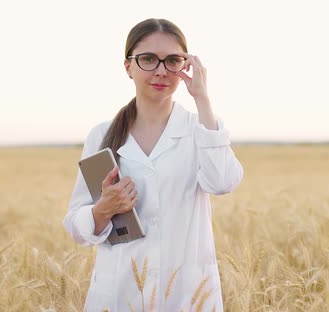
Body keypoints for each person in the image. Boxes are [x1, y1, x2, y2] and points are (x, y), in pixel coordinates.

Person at [63, 18, 243, 311]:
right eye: (148, 59)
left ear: (186, 66)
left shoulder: (203, 128)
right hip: (120, 295)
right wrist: (103, 209)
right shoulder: (101, 135)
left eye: (172, 60)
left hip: (187, 295)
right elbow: (76, 228)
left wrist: (203, 99)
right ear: (128, 67)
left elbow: (223, 182)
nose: (161, 70)